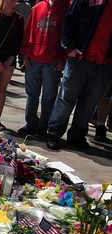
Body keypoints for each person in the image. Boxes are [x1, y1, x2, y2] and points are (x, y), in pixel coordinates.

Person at [45, 0, 112, 150]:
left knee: (89, 103)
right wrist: (69, 47)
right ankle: (54, 133)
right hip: (80, 59)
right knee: (66, 97)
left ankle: (77, 135)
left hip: (104, 64)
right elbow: (69, 19)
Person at [17, 0, 69, 137]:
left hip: (53, 61)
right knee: (32, 95)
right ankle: (31, 124)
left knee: (49, 96)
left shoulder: (66, 7)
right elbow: (29, 30)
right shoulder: (38, 7)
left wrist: (63, 59)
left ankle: (43, 126)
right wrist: (25, 54)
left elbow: (69, 34)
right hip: (33, 59)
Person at [0, 0, 23, 129]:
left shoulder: (18, 18)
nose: (12, 3)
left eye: (14, 1)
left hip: (9, 59)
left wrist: (11, 58)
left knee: (3, 89)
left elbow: (19, 41)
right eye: (9, 0)